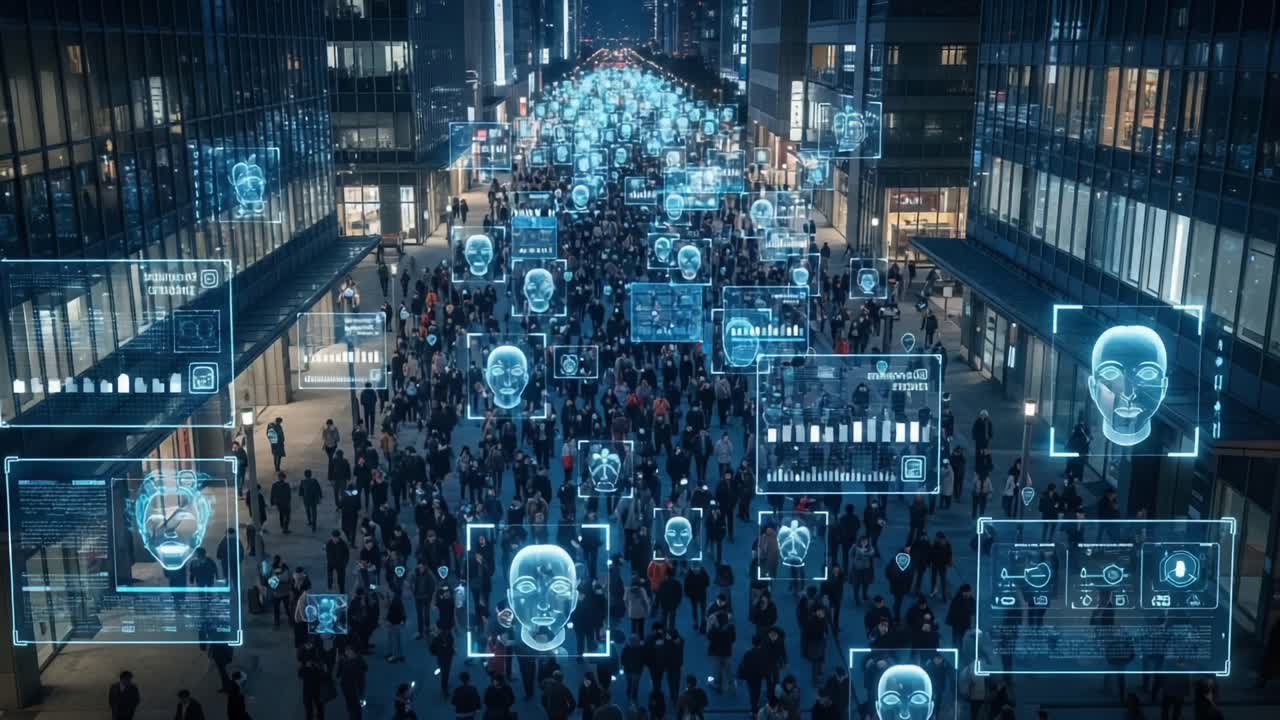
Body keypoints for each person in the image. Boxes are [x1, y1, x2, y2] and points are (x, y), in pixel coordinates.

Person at [337, 645, 367, 720]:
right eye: (346, 651)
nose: (346, 652)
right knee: (351, 707)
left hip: (355, 688)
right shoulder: (345, 660)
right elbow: (338, 673)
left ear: (353, 652)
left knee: (355, 708)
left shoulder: (357, 662)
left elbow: (360, 677)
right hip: (347, 687)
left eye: (348, 651)